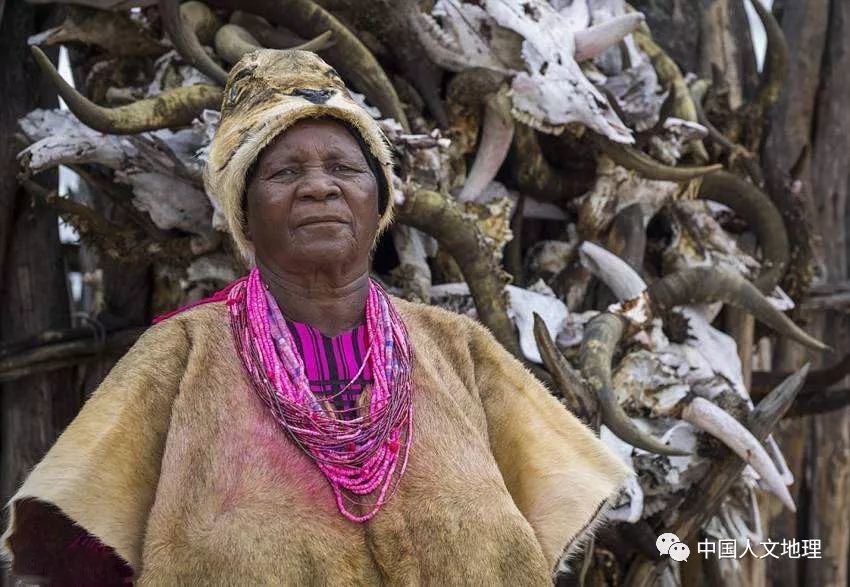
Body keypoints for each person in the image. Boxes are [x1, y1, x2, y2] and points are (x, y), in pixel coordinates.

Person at [2, 49, 632, 585]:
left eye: (343, 168)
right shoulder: (181, 355)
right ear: (245, 214)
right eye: (284, 172)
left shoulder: (455, 348)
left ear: (378, 199)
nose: (319, 188)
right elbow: (71, 544)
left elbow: (544, 514)